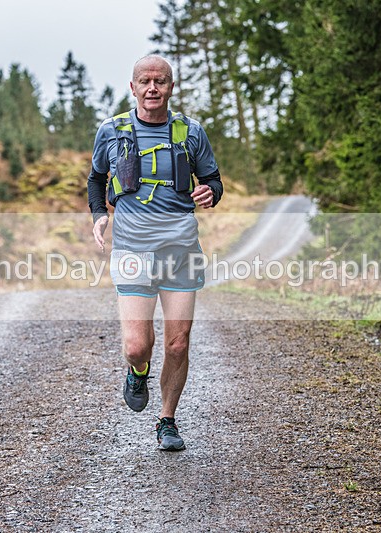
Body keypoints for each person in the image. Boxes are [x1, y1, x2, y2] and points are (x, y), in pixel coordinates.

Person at [87, 55, 223, 451]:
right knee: (136, 346)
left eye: (160, 81)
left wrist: (211, 191)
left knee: (178, 342)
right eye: (145, 81)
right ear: (133, 88)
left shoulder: (190, 132)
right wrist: (99, 215)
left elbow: (213, 178)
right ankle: (138, 372)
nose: (152, 88)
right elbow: (96, 179)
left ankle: (167, 420)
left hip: (181, 248)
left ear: (170, 87)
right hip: (132, 248)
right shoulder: (112, 131)